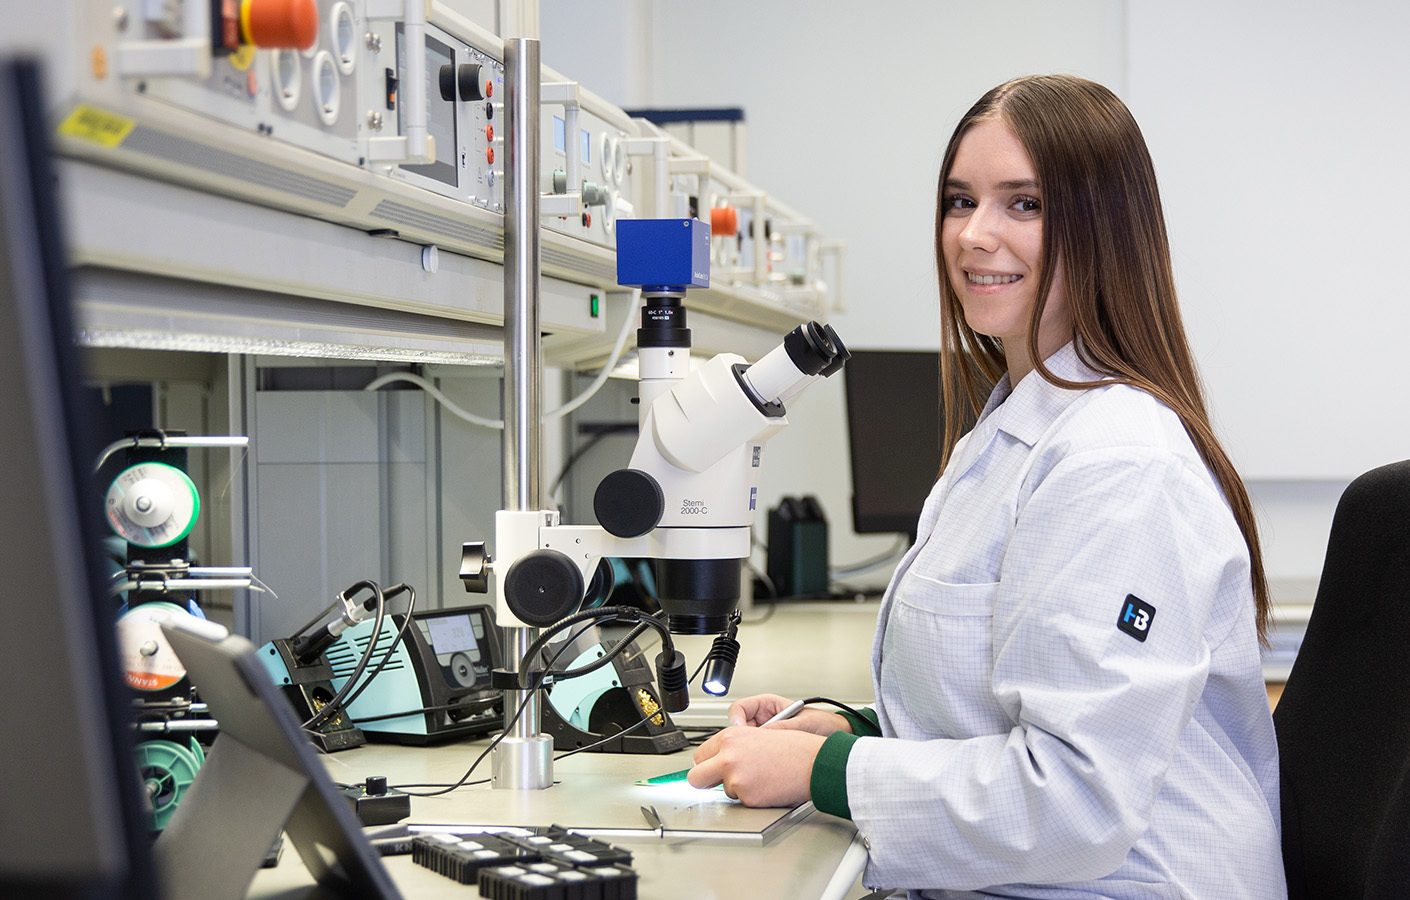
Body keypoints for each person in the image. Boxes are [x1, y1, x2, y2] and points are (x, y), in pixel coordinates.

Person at [687, 74, 1286, 899]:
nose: (975, 235)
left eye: (1025, 204)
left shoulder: (1118, 465)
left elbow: (1074, 800)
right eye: (960, 200)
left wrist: (830, 771)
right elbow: (1011, 696)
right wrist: (858, 730)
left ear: (1106, 228)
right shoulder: (1010, 431)